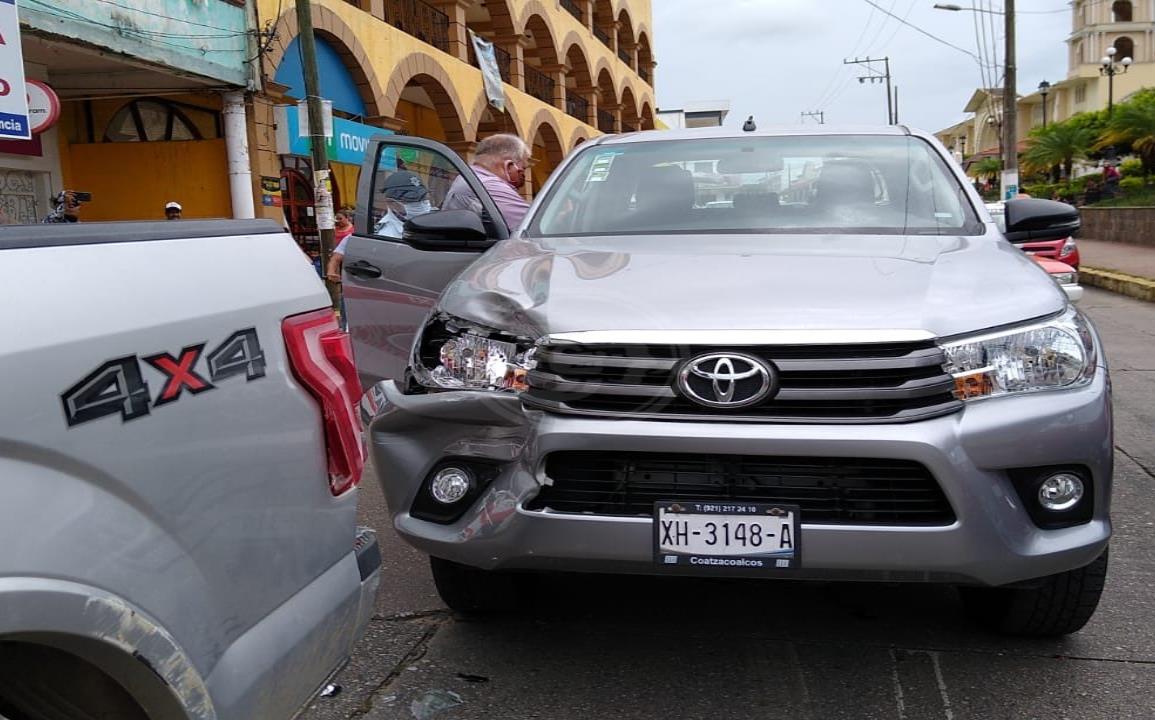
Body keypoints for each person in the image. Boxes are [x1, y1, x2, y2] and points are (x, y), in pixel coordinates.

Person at [443, 133, 531, 228]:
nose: (523, 175)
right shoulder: (488, 185)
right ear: (509, 165)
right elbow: (533, 226)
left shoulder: (471, 178)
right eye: (523, 168)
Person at [373, 170, 434, 237]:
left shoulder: (434, 219)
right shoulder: (387, 235)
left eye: (424, 198)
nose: (421, 204)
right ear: (392, 203)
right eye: (412, 199)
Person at [325, 209, 356, 284]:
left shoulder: (353, 230)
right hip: (336, 253)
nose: (338, 221)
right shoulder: (334, 229)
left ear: (347, 218)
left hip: (347, 255)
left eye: (340, 218)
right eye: (337, 219)